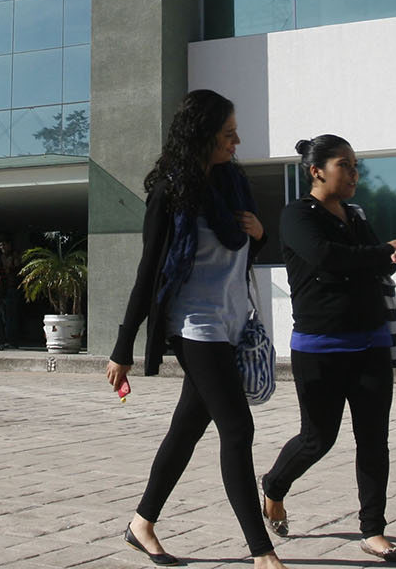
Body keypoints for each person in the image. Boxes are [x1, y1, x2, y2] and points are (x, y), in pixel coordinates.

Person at [105, 89, 285, 569]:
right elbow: (149, 271)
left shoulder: (232, 187)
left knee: (187, 428)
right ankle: (261, 552)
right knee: (237, 428)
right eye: (228, 134)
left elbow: (240, 259)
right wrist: (123, 347)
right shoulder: (172, 192)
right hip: (194, 325)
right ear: (203, 135)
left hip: (230, 324)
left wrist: (260, 236)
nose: (236, 141)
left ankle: (142, 522)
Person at [260, 136, 396, 562]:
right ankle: (274, 486)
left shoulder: (355, 216)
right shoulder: (296, 215)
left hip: (370, 344)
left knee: (374, 440)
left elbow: (368, 260)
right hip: (320, 348)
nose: (354, 174)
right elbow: (326, 257)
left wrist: (386, 254)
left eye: (355, 166)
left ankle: (373, 530)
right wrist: (382, 252)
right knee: (318, 439)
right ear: (316, 170)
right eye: (344, 165)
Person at [0, 237, 18, 348]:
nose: (2, 247)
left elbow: (14, 268)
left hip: (11, 288)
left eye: (4, 245)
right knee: (3, 316)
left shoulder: (14, 256)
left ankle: (11, 340)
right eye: (0, 245)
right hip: (2, 289)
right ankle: (5, 339)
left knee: (11, 316)